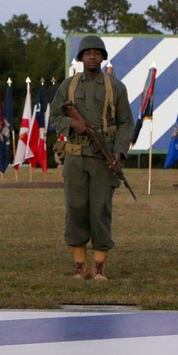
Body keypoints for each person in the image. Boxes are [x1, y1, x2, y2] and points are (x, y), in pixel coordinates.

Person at [49, 35, 134, 281]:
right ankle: (79, 267)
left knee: (100, 210)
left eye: (97, 53)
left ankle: (98, 267)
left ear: (103, 57)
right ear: (81, 58)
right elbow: (56, 115)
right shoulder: (69, 85)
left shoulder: (116, 87)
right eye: (88, 53)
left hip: (103, 157)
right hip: (75, 156)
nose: (93, 57)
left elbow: (127, 122)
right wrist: (73, 124)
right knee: (75, 209)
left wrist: (118, 151)